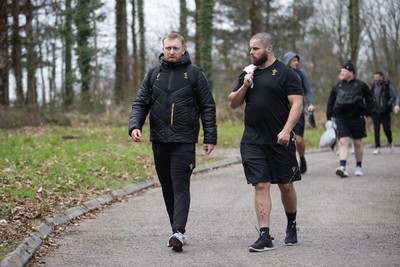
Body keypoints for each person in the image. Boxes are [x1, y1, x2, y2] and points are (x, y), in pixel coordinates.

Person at [128, 32, 217, 252]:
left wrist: (210, 137)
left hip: (184, 140)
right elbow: (140, 102)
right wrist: (135, 125)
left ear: (183, 50)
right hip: (159, 140)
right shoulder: (153, 74)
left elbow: (207, 106)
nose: (171, 52)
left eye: (175, 48)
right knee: (167, 187)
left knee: (180, 185)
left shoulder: (195, 74)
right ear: (163, 49)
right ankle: (175, 231)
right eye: (168, 48)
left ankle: (179, 231)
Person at [228, 32, 303, 252]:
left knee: (286, 186)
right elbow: (232, 103)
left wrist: (287, 130)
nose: (251, 53)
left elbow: (297, 104)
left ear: (268, 49)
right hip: (253, 140)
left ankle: (291, 224)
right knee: (260, 184)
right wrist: (244, 85)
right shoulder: (248, 72)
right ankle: (265, 235)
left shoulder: (286, 73)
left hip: (280, 140)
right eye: (250, 49)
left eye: (256, 49)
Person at [326, 60, 375, 178]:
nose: (341, 73)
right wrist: (329, 118)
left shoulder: (361, 85)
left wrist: (366, 114)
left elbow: (370, 100)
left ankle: (359, 166)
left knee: (358, 143)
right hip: (341, 119)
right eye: (341, 71)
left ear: (351, 72)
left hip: (357, 118)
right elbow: (330, 102)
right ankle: (342, 166)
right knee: (343, 142)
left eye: (344, 71)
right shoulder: (337, 86)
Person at [282, 51, 315, 174]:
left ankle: (302, 157)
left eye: (297, 60)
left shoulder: (301, 74)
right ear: (287, 60)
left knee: (298, 140)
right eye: (294, 60)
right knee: (286, 138)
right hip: (283, 110)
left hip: (298, 110)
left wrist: (310, 104)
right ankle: (291, 163)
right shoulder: (281, 73)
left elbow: (307, 91)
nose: (296, 62)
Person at [370, 71, 396, 154]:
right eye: (375, 78)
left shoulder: (387, 85)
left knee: (386, 129)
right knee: (376, 130)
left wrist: (388, 104)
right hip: (375, 111)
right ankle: (377, 147)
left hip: (385, 112)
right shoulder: (373, 86)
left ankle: (390, 142)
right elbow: (371, 96)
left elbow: (393, 96)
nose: (376, 79)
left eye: (377, 77)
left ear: (381, 77)